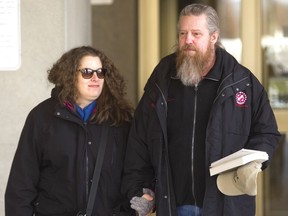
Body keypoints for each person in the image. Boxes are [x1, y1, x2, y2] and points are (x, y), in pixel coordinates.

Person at [122, 4, 281, 216]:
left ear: (214, 37)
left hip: (227, 205)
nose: (187, 40)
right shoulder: (162, 79)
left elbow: (266, 131)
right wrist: (140, 188)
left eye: (196, 34)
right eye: (183, 33)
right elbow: (140, 138)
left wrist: (250, 165)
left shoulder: (242, 81)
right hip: (174, 204)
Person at [5, 46, 135, 216]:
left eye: (100, 72)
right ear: (70, 75)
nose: (96, 78)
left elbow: (133, 173)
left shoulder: (120, 119)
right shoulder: (42, 117)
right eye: (87, 72)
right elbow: (21, 184)